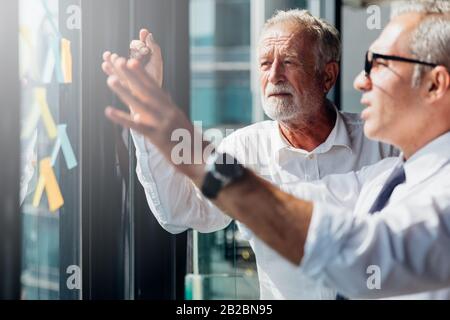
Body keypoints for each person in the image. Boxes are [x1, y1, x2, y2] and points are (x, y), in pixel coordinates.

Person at [103, 0, 450, 299]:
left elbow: (360, 246)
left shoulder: (399, 158)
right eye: (265, 64)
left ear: (326, 77)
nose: (273, 76)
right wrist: (166, 135)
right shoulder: (390, 174)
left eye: (381, 64)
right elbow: (183, 213)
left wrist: (205, 162)